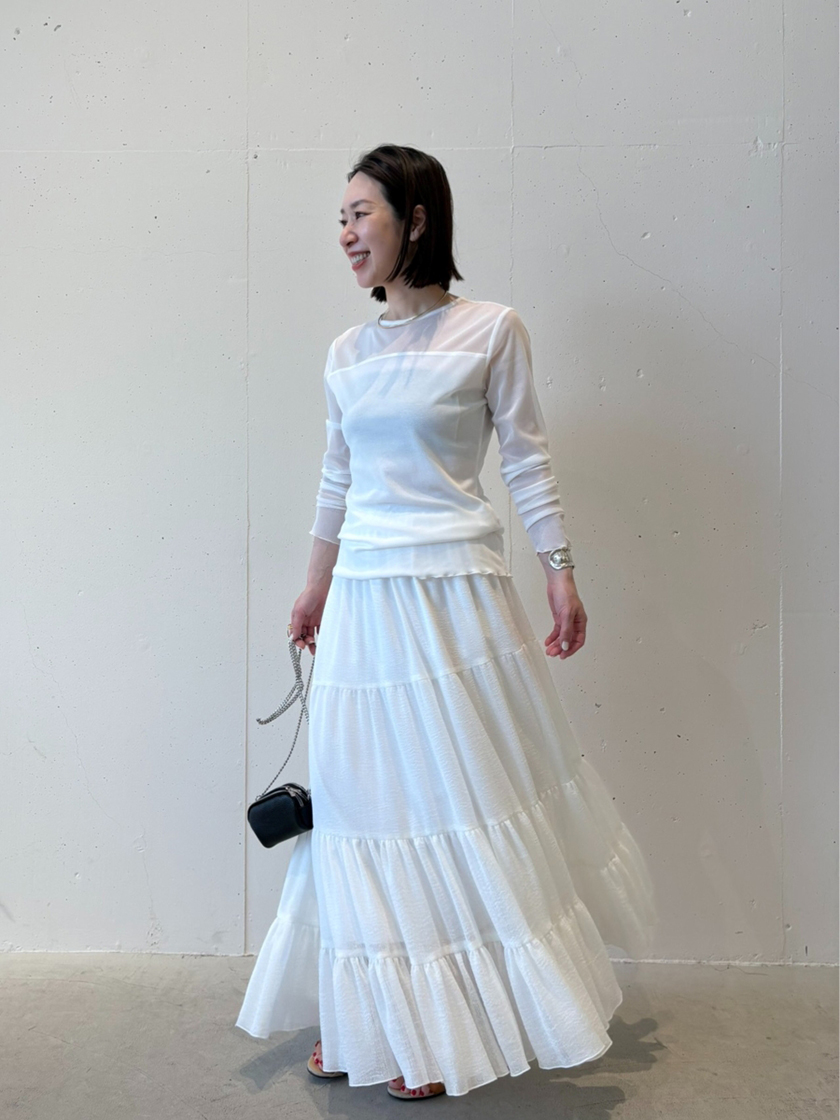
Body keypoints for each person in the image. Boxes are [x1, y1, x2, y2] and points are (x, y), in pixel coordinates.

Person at [235, 144, 657, 1100]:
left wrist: (561, 574)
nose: (346, 234)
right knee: (363, 810)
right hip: (365, 604)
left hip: (456, 598)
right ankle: (371, 1018)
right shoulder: (346, 355)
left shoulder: (491, 331)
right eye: (340, 219)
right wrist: (314, 587)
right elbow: (337, 478)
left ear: (416, 219)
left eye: (361, 214)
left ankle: (444, 1031)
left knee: (449, 802)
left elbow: (527, 462)